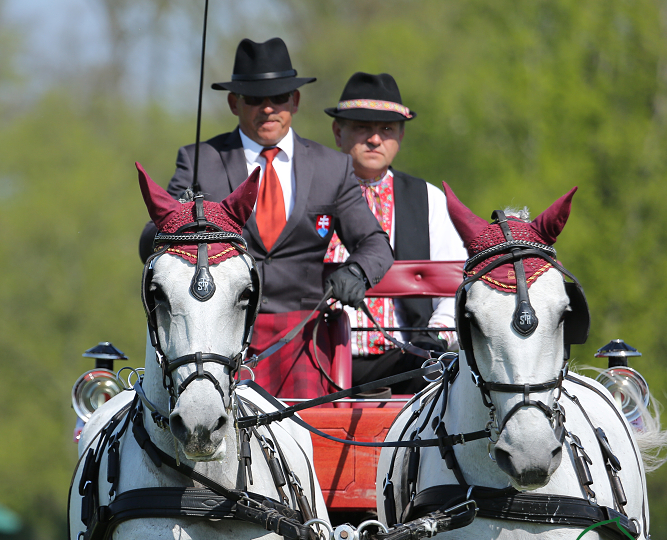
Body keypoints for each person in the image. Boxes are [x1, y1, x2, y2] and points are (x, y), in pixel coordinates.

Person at [139, 39, 394, 398]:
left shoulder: (331, 168)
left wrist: (357, 271)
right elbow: (152, 237)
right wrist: (180, 224)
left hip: (304, 335)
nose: (268, 109)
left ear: (296, 101)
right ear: (234, 103)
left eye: (279, 98)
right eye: (255, 99)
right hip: (222, 336)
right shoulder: (201, 161)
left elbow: (375, 244)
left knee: (309, 447)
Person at [324, 72, 467, 393]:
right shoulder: (309, 192)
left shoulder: (428, 199)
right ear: (338, 132)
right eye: (362, 127)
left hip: (404, 358)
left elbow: (456, 284)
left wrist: (436, 336)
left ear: (400, 137)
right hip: (318, 354)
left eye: (386, 129)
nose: (375, 139)